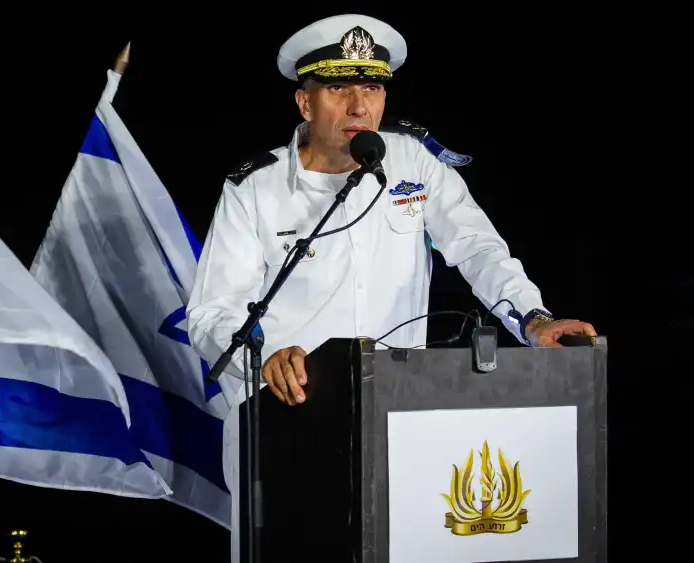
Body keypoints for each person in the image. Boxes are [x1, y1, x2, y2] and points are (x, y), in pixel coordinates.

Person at [184, 13, 597, 561]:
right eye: (339, 89)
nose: (360, 106)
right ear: (305, 103)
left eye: (373, 88)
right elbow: (212, 314)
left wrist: (533, 319)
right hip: (286, 415)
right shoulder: (254, 189)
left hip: (399, 414)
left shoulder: (412, 162)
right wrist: (264, 359)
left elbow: (478, 249)